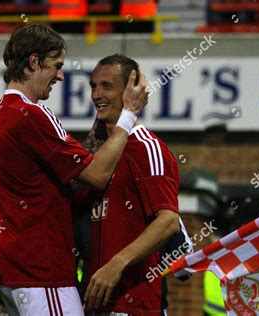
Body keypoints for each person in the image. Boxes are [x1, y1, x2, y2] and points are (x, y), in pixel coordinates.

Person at [0, 24, 148, 315]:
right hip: (39, 273)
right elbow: (96, 176)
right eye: (56, 65)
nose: (60, 75)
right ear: (34, 62)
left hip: (3, 271)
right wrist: (129, 115)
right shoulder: (32, 114)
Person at [82, 54, 182, 315]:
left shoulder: (147, 148)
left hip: (133, 304)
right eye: (93, 86)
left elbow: (168, 220)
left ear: (130, 90)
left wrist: (118, 263)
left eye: (106, 86)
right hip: (95, 304)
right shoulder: (99, 156)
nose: (95, 95)